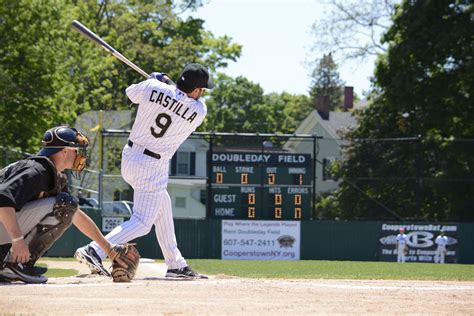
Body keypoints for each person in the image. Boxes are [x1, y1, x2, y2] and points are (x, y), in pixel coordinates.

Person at [76, 63, 213, 279]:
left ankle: (176, 264)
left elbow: (130, 93)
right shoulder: (198, 111)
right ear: (195, 90)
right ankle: (95, 249)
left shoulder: (152, 87)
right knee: (142, 222)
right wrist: (163, 84)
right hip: (153, 165)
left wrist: (154, 81)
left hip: (130, 156)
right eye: (202, 90)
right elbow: (181, 99)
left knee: (163, 204)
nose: (202, 94)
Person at [0, 126, 117, 283]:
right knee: (65, 205)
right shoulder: (38, 169)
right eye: (76, 150)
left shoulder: (52, 174)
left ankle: (10, 264)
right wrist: (17, 240)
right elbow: (2, 198)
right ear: (64, 151)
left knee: (68, 206)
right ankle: (16, 264)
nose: (80, 155)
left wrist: (109, 249)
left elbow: (75, 214)